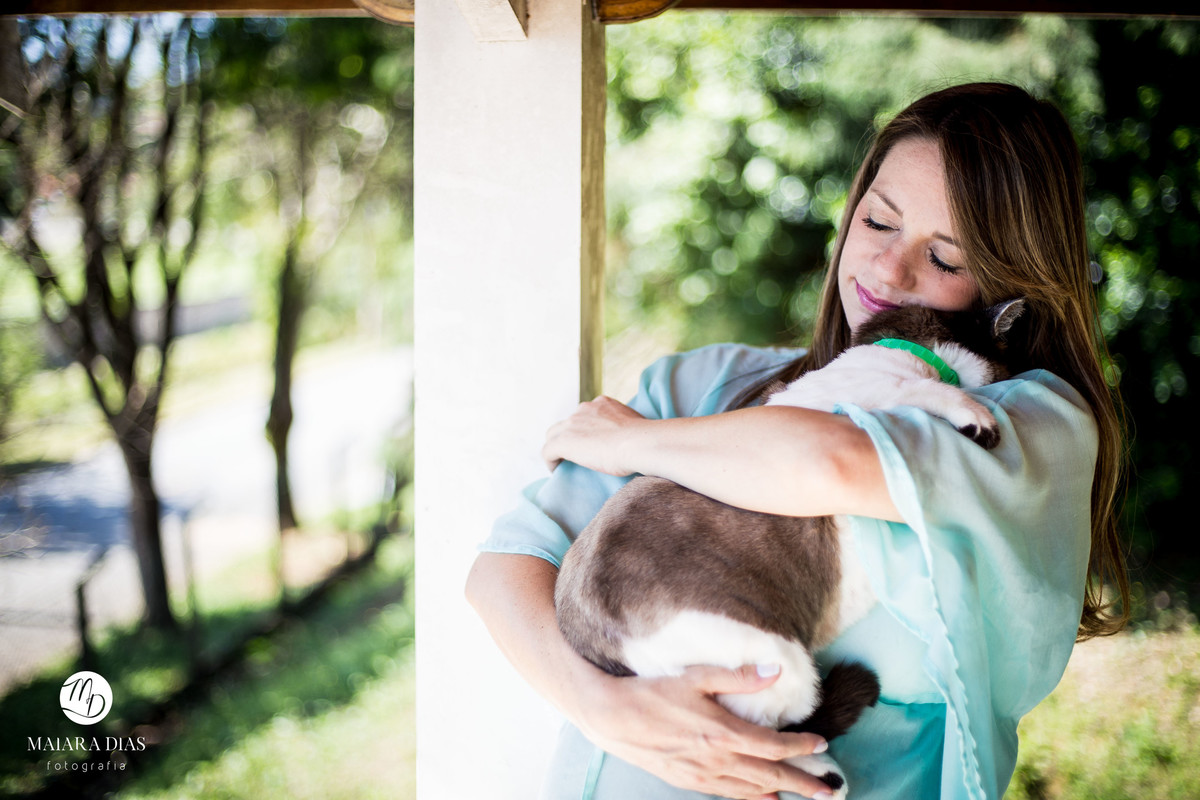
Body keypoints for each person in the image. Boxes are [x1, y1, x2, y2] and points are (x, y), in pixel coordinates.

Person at [465, 82, 1130, 800]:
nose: (889, 270)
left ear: (1010, 289)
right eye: (878, 222)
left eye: (945, 259)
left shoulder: (1025, 426)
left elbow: (829, 460)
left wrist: (637, 444)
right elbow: (505, 570)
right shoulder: (707, 383)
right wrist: (608, 711)